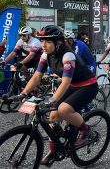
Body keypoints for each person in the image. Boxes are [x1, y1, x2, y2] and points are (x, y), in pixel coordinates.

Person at [19, 25, 98, 165]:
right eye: (42, 40)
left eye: (48, 41)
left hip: (88, 86)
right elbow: (37, 76)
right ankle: (54, 150)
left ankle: (86, 131)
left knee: (63, 109)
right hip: (73, 85)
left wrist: (52, 100)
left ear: (58, 42)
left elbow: (66, 82)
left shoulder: (68, 55)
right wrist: (23, 93)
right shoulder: (45, 55)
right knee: (53, 116)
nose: (43, 44)